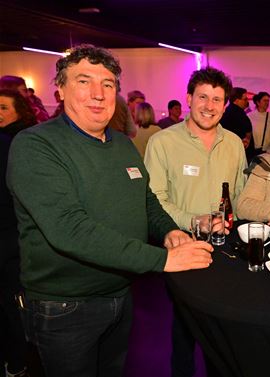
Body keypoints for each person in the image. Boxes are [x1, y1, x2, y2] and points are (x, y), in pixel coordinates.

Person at [6, 44, 213, 377]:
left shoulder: (121, 143)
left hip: (120, 294)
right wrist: (161, 260)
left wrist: (169, 231)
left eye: (108, 84)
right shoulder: (36, 145)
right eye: (84, 81)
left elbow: (145, 199)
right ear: (59, 90)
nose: (98, 94)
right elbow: (69, 229)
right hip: (65, 306)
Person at [144, 66, 246, 377]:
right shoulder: (162, 143)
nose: (209, 106)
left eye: (217, 99)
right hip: (184, 247)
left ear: (226, 105)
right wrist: (195, 220)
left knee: (223, 328)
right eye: (202, 96)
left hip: (226, 250)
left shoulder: (234, 144)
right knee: (184, 327)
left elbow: (240, 196)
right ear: (188, 98)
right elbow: (154, 200)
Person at [0, 89, 37, 377]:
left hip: (12, 233)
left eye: (3, 108)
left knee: (12, 299)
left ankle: (18, 359)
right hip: (16, 233)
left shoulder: (15, 142)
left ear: (19, 111)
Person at [220, 87, 253, 162]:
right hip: (236, 155)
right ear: (236, 100)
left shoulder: (228, 112)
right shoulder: (237, 114)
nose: (247, 102)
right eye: (244, 99)